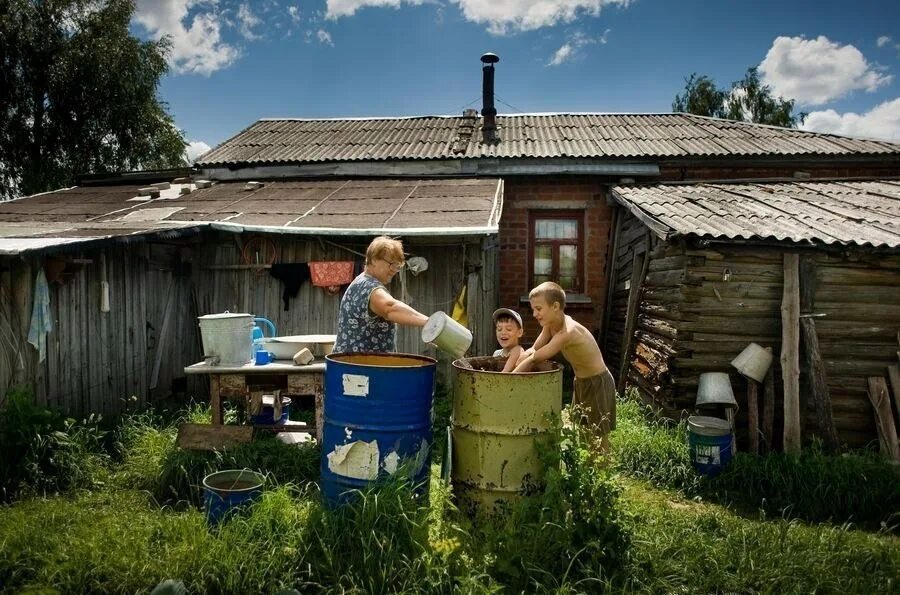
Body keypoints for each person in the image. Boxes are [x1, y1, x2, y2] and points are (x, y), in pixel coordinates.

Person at [512, 281, 616, 445]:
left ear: (555, 306)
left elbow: (535, 357)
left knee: (598, 433)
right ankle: (588, 466)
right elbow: (532, 350)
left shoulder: (568, 331)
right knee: (583, 428)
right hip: (581, 381)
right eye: (533, 309)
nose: (534, 314)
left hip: (597, 381)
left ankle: (603, 469)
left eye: (538, 309)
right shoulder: (549, 326)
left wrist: (507, 380)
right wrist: (517, 359)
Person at [333, 236, 429, 353]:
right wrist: (429, 323)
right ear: (373, 259)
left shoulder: (361, 282)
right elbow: (390, 307)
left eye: (398, 265)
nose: (394, 270)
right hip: (358, 367)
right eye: (391, 264)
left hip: (355, 365)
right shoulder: (368, 286)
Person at [492, 307, 524, 373]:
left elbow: (504, 373)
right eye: (499, 329)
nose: (503, 332)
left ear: (519, 332)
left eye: (509, 329)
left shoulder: (518, 350)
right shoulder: (496, 354)